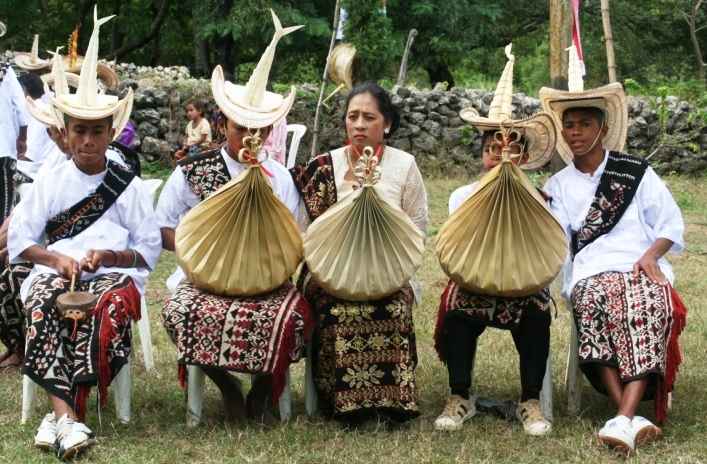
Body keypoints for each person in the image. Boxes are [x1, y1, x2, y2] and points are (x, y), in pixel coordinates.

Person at [7, 9, 161, 459]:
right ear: (68, 134)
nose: (89, 141)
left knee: (106, 310)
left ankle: (59, 417)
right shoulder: (50, 182)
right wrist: (57, 261)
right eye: (81, 132)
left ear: (111, 133)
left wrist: (110, 257)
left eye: (98, 132)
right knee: (41, 303)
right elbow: (21, 241)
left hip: (112, 278)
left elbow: (148, 249)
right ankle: (68, 418)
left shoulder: (127, 186)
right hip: (58, 272)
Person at [159, 10, 311, 425]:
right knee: (180, 312)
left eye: (260, 129)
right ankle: (225, 382)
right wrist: (200, 251)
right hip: (203, 279)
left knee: (296, 317)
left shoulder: (279, 177)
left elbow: (298, 232)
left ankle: (263, 387)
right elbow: (164, 227)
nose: (250, 137)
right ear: (222, 123)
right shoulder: (192, 171)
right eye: (241, 126)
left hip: (265, 281)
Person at [540, 46, 686, 456]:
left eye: (584, 124)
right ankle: (630, 415)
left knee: (648, 304)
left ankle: (620, 416)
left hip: (640, 263)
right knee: (592, 302)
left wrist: (651, 256)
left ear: (602, 129)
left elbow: (671, 223)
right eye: (568, 125)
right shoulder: (558, 186)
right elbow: (553, 237)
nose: (575, 133)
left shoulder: (636, 172)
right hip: (590, 269)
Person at [433, 44, 557, 436]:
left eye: (509, 150)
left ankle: (531, 400)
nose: (498, 157)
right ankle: (459, 395)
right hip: (476, 279)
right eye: (491, 150)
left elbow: (546, 246)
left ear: (522, 156)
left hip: (524, 280)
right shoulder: (462, 197)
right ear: (483, 154)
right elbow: (456, 248)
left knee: (537, 311)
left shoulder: (542, 198)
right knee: (456, 307)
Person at [291, 81, 428, 423]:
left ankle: (391, 402)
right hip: (329, 270)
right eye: (353, 116)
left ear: (387, 124)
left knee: (393, 306)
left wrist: (392, 266)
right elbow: (304, 232)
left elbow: (417, 227)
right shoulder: (324, 167)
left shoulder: (404, 165)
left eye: (369, 117)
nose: (359, 125)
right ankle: (343, 404)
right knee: (338, 308)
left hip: (390, 269)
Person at [0, 23, 30, 220]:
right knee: (3, 197)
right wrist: (23, 138)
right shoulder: (5, 71)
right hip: (2, 147)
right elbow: (21, 107)